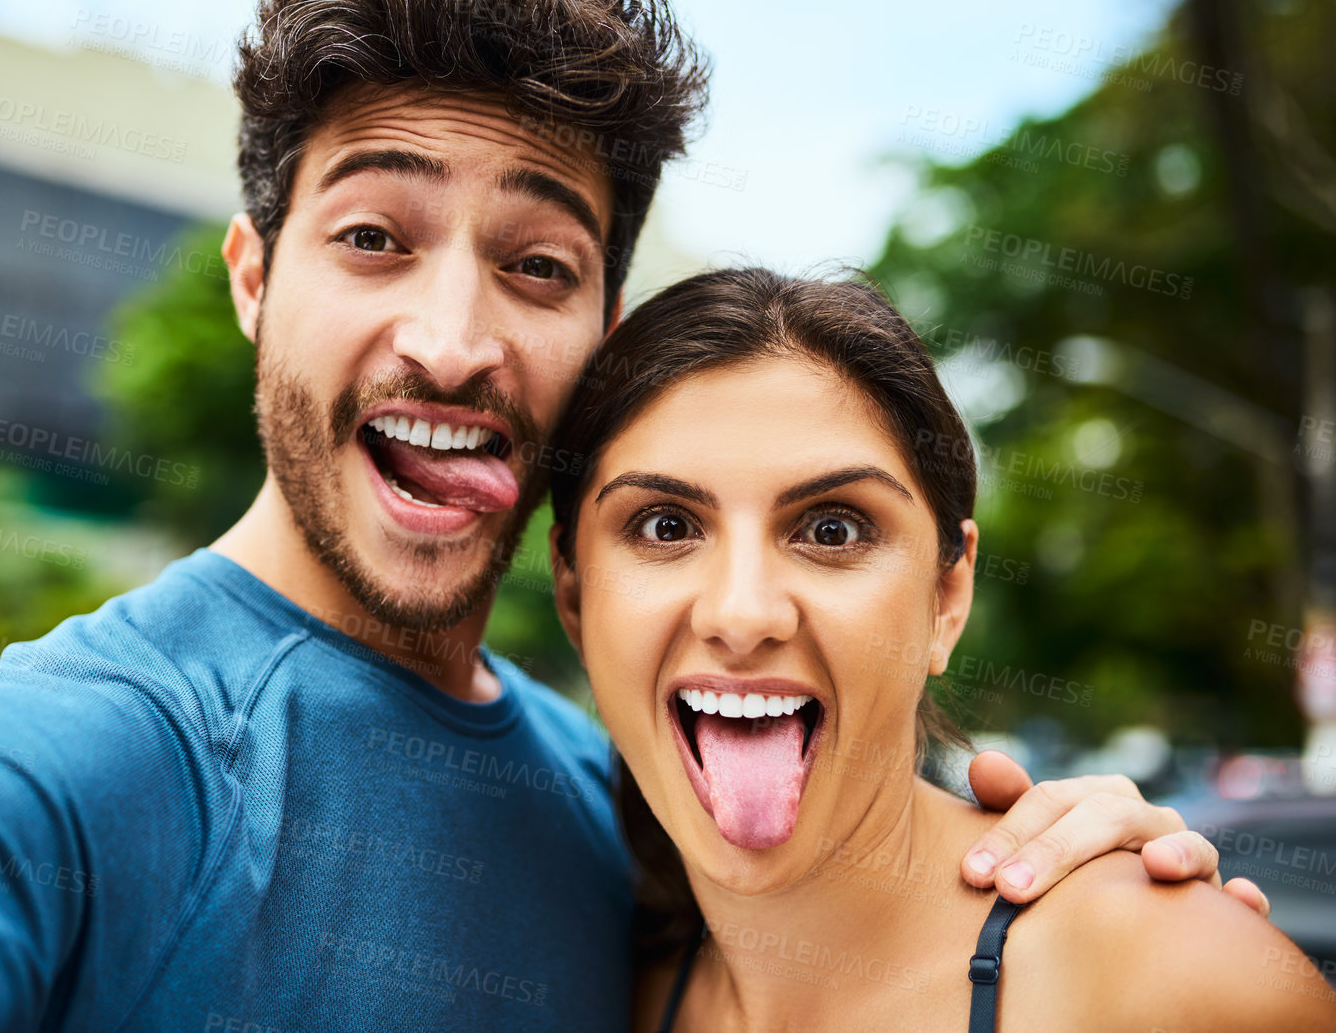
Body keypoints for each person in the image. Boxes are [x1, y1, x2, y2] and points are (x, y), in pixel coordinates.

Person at [0, 0, 1265, 1033]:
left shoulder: (635, 822)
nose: (455, 339)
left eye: (536, 267)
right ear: (256, 282)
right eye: (375, 238)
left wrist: (1099, 897)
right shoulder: (52, 769)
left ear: (602, 328)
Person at [545, 265, 1334, 1032]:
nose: (743, 613)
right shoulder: (604, 980)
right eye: (666, 526)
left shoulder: (1158, 979)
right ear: (574, 596)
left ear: (945, 598)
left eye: (831, 529)